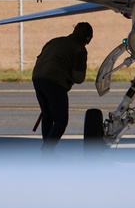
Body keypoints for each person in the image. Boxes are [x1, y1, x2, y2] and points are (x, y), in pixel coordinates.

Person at [31, 21, 93, 150]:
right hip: (55, 82)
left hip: (37, 78)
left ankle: (47, 149)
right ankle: (47, 150)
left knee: (47, 115)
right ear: (87, 38)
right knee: (61, 120)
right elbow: (79, 78)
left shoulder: (54, 41)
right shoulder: (79, 49)